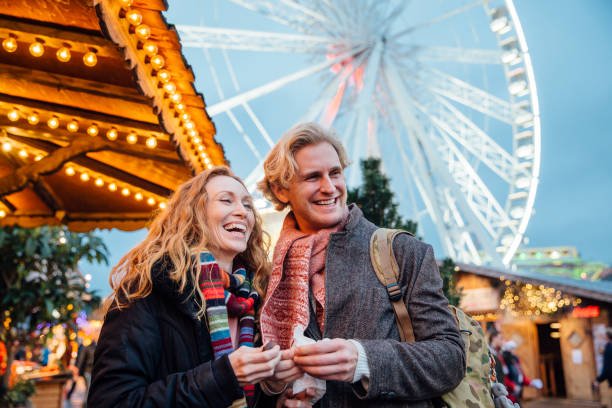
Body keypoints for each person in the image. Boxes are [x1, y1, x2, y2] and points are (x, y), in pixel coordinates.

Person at [256, 123, 465, 407]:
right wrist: (277, 393)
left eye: (335, 173)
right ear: (282, 191)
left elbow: (450, 358)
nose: (329, 187)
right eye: (312, 177)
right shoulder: (270, 277)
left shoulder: (401, 252)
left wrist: (364, 360)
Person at [88, 167, 308, 408]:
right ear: (194, 214)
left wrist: (274, 394)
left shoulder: (257, 297)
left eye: (247, 205)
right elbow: (111, 401)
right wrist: (223, 376)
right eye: (226, 200)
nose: (242, 212)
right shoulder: (148, 290)